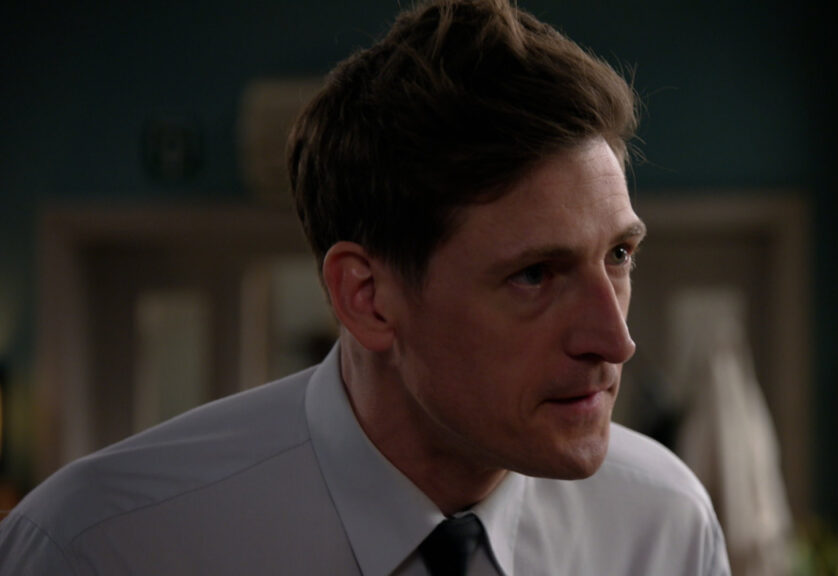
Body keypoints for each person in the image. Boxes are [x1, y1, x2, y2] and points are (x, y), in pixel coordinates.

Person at [0, 0, 730, 574]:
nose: (616, 340)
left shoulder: (664, 524)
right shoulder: (100, 546)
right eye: (534, 275)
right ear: (367, 298)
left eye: (619, 255)